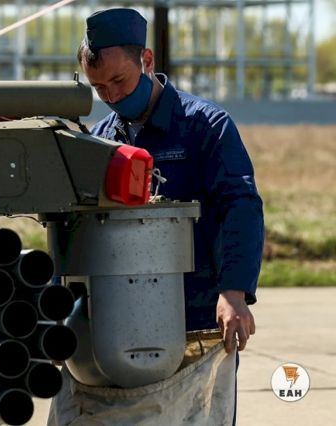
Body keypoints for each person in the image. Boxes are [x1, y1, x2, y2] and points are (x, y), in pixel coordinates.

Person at [49, 8, 264, 425]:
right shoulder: (99, 141)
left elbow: (241, 207)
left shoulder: (205, 127)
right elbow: (76, 229)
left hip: (195, 320)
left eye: (119, 81)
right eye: (99, 87)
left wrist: (235, 292)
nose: (111, 96)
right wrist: (60, 313)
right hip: (114, 325)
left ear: (146, 61)